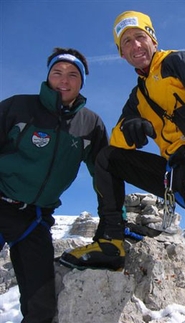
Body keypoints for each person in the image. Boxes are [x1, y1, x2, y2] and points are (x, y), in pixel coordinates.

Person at [59, 11, 185, 323]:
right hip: (175, 174)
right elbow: (117, 141)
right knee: (107, 158)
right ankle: (111, 240)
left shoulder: (180, 62)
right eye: (126, 42)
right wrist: (131, 129)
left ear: (152, 38)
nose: (135, 45)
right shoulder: (138, 95)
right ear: (121, 53)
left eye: (139, 36)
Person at [0, 47, 109, 322]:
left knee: (42, 309)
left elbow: (105, 175)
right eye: (57, 72)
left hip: (34, 219)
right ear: (47, 76)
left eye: (73, 74)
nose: (64, 79)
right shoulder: (18, 107)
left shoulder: (90, 124)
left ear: (81, 82)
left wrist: (115, 222)